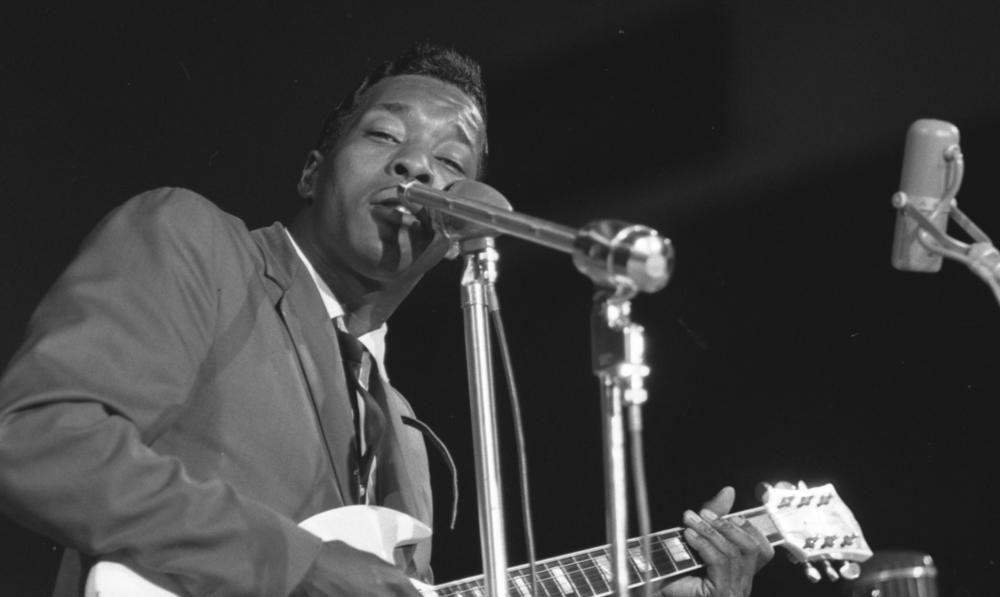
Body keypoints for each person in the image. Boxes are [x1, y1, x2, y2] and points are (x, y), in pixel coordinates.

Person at [0, 44, 773, 596]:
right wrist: (300, 564)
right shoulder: (195, 243)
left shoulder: (405, 441)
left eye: (451, 163)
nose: (417, 168)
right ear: (312, 169)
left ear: (460, 224)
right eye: (384, 136)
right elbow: (36, 438)